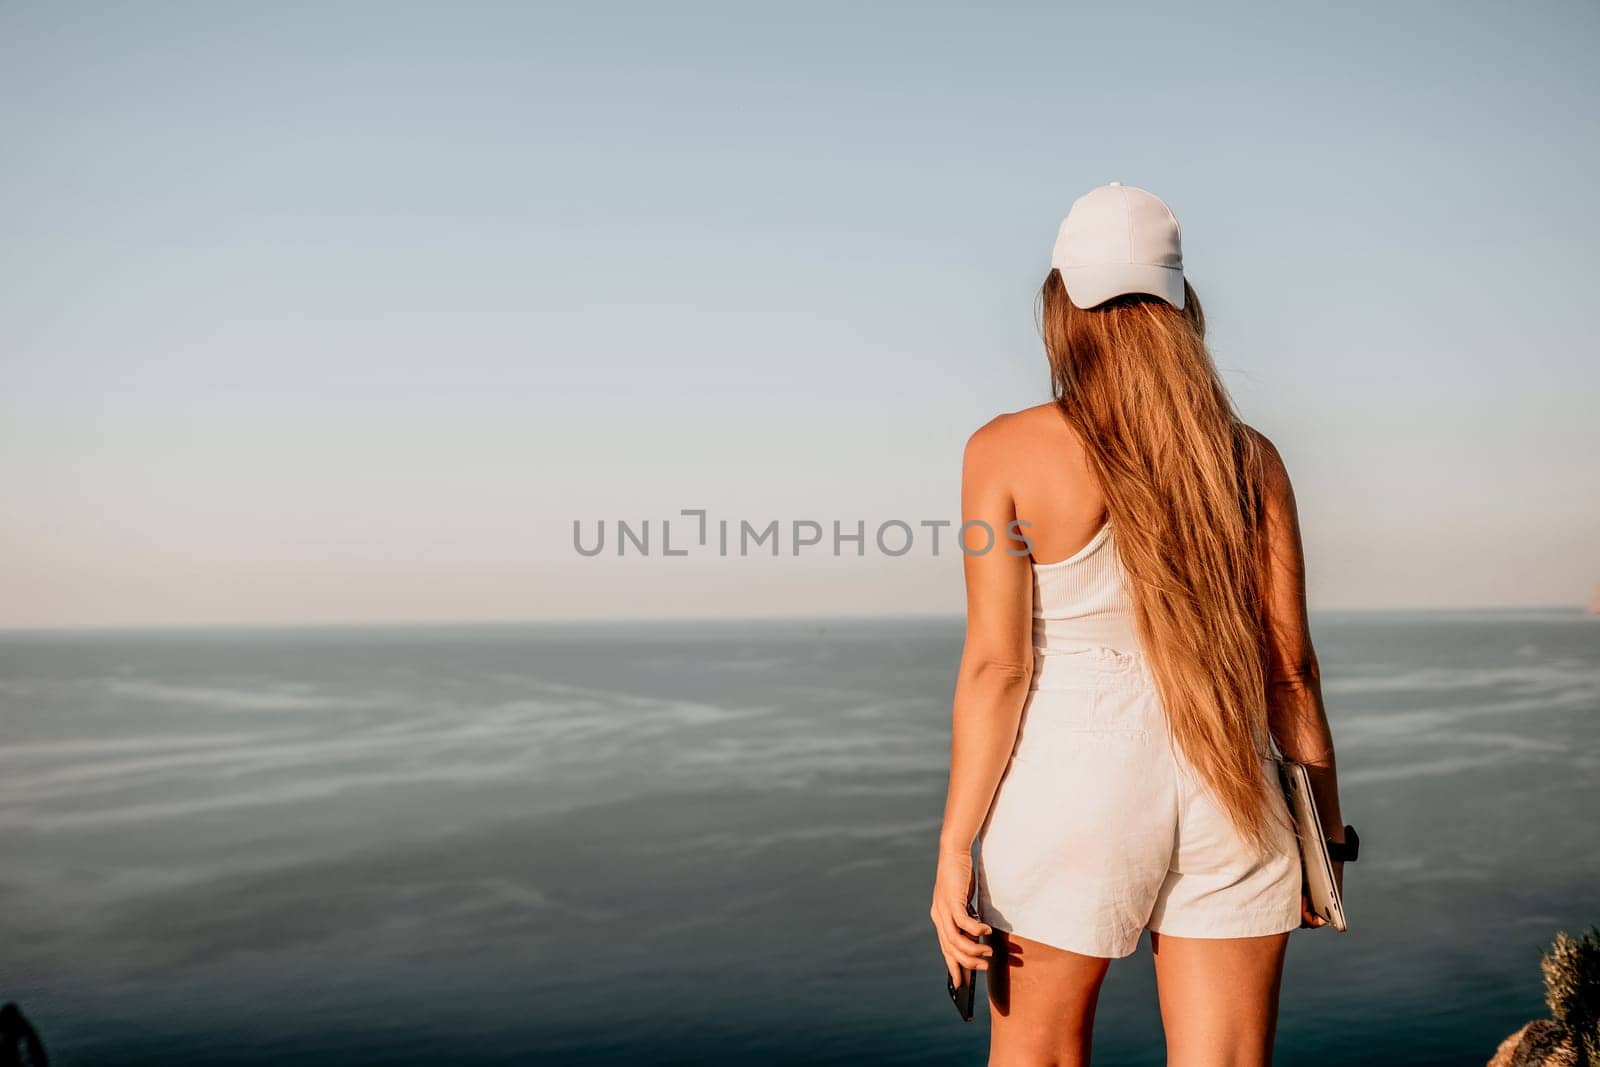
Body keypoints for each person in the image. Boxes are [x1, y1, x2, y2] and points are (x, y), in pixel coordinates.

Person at [930, 182, 1351, 1066]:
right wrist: (1327, 836)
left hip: (1073, 783)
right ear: (1182, 304)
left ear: (1060, 304)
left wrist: (954, 847)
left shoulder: (1003, 449)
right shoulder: (1250, 458)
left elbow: (997, 670)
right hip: (1233, 784)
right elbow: (1291, 671)